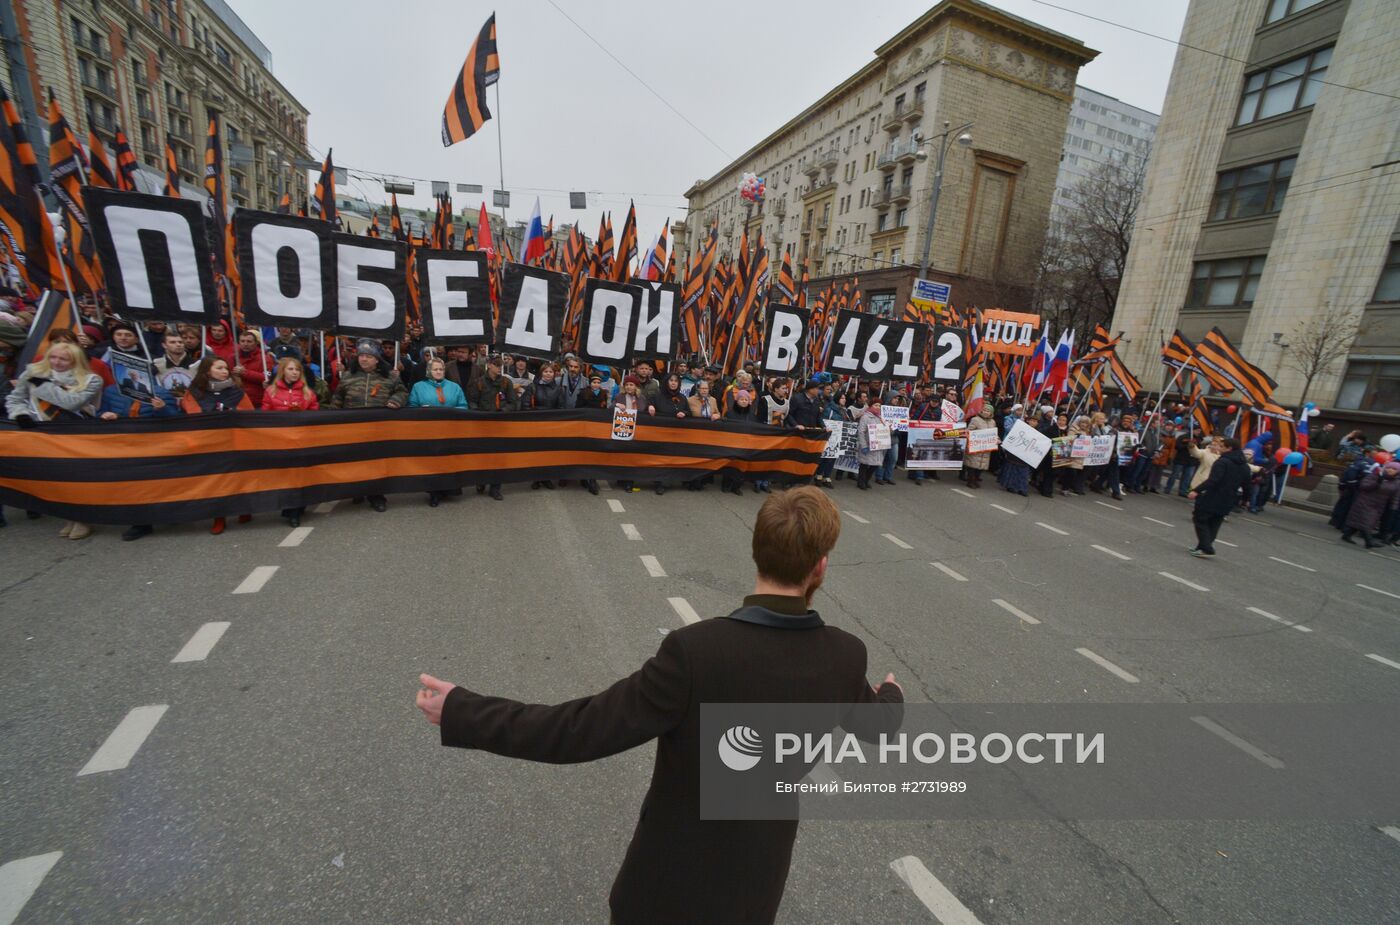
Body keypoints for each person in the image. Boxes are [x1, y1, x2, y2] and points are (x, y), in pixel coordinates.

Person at [414, 487, 903, 925]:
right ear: (820, 566)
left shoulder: (696, 652)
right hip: (758, 879)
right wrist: (890, 691)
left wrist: (463, 710)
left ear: (757, 552)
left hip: (669, 885)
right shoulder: (843, 655)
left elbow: (579, 730)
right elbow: (879, 724)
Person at [5, 342, 103, 540]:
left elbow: (71, 402)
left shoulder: (91, 379)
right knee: (56, 479)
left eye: (63, 359)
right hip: (43, 434)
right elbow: (15, 399)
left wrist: (42, 385)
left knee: (76, 480)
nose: (57, 362)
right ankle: (69, 516)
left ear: (75, 361)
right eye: (53, 357)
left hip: (75, 433)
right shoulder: (32, 372)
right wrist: (20, 414)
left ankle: (83, 519)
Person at [177, 356, 256, 534]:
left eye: (225, 368)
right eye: (219, 368)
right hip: (210, 442)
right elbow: (193, 415)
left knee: (238, 477)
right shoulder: (195, 393)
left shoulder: (236, 392)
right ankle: (218, 516)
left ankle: (244, 508)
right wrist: (213, 413)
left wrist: (232, 413)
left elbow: (250, 414)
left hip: (234, 441)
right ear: (207, 371)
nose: (224, 371)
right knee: (217, 481)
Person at [332, 339, 407, 512]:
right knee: (355, 462)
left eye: (368, 356)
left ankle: (376, 496)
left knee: (376, 464)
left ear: (377, 359)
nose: (363, 359)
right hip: (353, 429)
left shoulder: (389, 376)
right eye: (361, 356)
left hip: (377, 430)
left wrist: (395, 401)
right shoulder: (348, 377)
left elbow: (402, 392)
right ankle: (357, 491)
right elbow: (337, 399)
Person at [262, 357, 318, 527]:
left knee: (301, 475)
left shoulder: (308, 392)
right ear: (282, 371)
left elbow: (314, 416)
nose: (294, 373)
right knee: (286, 476)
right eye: (291, 369)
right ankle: (290, 507)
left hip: (302, 441)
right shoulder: (271, 391)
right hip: (281, 441)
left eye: (297, 370)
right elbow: (265, 415)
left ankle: (297, 509)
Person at [408, 357, 470, 507]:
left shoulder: (454, 387)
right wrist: (422, 410)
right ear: (429, 371)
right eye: (435, 369)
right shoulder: (418, 387)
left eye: (441, 369)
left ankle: (449, 489)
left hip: (450, 431)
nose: (438, 372)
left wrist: (450, 411)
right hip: (428, 432)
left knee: (448, 461)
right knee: (432, 463)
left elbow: (464, 406)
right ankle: (434, 493)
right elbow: (411, 407)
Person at [1188, 437, 1250, 558]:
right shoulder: (1244, 466)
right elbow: (1247, 485)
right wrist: (1246, 499)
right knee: (1215, 522)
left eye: (1222, 447)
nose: (1219, 449)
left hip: (1214, 495)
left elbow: (1213, 480)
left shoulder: (1223, 462)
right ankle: (1202, 547)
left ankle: (1207, 548)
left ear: (1229, 448)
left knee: (1200, 518)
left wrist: (1196, 490)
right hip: (1229, 498)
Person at [468, 356, 515, 501]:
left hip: (500, 425)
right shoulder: (479, 383)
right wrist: (480, 415)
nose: (499, 367)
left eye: (500, 365)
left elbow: (514, 402)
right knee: (482, 456)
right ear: (489, 365)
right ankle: (481, 481)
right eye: (496, 365)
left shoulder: (506, 382)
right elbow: (472, 402)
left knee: (498, 458)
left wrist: (504, 411)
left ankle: (495, 488)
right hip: (483, 426)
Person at [1341, 462, 1400, 548]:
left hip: (1379, 505)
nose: (1390, 470)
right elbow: (1363, 486)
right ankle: (1369, 541)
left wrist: (1393, 509)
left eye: (1394, 469)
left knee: (1365, 521)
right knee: (1367, 521)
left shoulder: (1397, 483)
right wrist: (1377, 482)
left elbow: (1396, 497)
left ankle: (1347, 535)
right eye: (1389, 468)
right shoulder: (1374, 476)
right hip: (1365, 501)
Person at [854, 395, 887, 491]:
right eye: (876, 405)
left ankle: (866, 480)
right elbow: (861, 431)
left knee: (875, 464)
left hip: (877, 446)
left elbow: (884, 430)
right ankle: (861, 482)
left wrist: (889, 429)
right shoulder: (865, 416)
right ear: (871, 406)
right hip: (868, 445)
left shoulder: (880, 417)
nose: (878, 407)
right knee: (864, 465)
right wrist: (864, 445)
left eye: (879, 405)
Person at [962, 403, 996, 489]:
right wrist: (973, 438)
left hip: (985, 449)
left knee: (980, 466)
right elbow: (969, 431)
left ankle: (975, 480)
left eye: (988, 411)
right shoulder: (975, 419)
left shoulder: (993, 422)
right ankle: (970, 481)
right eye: (984, 410)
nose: (985, 412)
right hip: (975, 447)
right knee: (972, 465)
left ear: (991, 413)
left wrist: (996, 439)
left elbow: (993, 433)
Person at [1163, 429, 1198, 497]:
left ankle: (1182, 491)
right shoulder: (1183, 437)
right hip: (1181, 459)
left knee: (1187, 477)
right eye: (1197, 430)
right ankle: (1168, 488)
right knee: (1174, 475)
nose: (1198, 432)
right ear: (1193, 430)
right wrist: (1186, 445)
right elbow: (1177, 446)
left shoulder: (1199, 439)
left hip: (1191, 461)